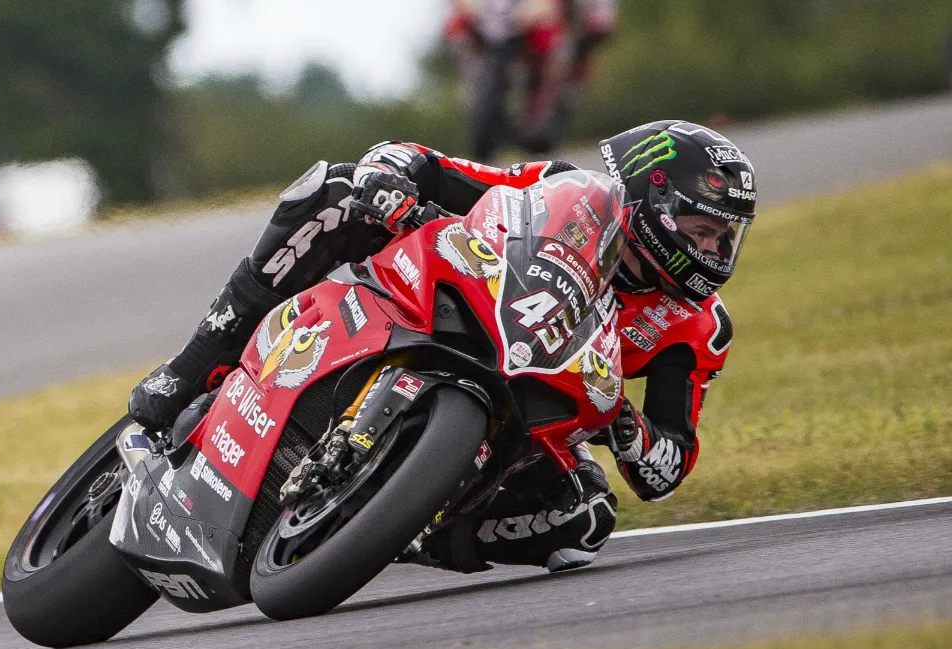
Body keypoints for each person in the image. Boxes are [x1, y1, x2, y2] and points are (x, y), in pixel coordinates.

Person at [129, 120, 757, 573]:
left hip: (537, 412)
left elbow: (666, 468)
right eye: (702, 231)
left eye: (724, 240)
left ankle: (415, 529)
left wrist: (625, 425)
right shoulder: (573, 191)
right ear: (655, 202)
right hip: (460, 303)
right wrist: (392, 176)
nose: (712, 254)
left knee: (585, 517)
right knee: (339, 196)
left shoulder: (697, 325)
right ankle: (187, 371)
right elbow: (450, 174)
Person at [446, 0, 617, 160]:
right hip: (495, 28)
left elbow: (596, 24)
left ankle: (547, 112)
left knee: (576, 42)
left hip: (545, 28)